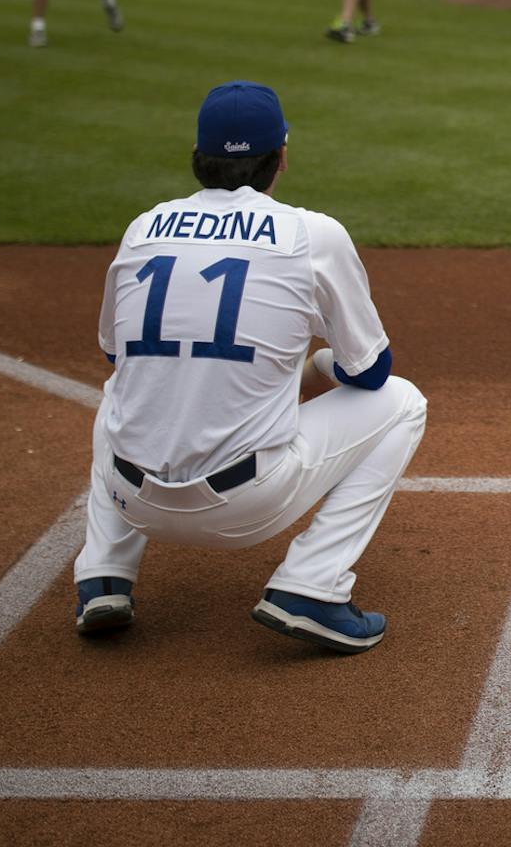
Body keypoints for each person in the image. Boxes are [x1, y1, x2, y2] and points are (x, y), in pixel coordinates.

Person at [73, 81, 428, 654]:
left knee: (120, 387)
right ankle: (311, 586)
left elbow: (118, 354)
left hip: (129, 499)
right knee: (404, 402)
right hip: (244, 508)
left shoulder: (143, 227)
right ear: (280, 158)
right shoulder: (311, 233)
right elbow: (370, 372)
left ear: (198, 158)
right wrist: (310, 365)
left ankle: (103, 577)